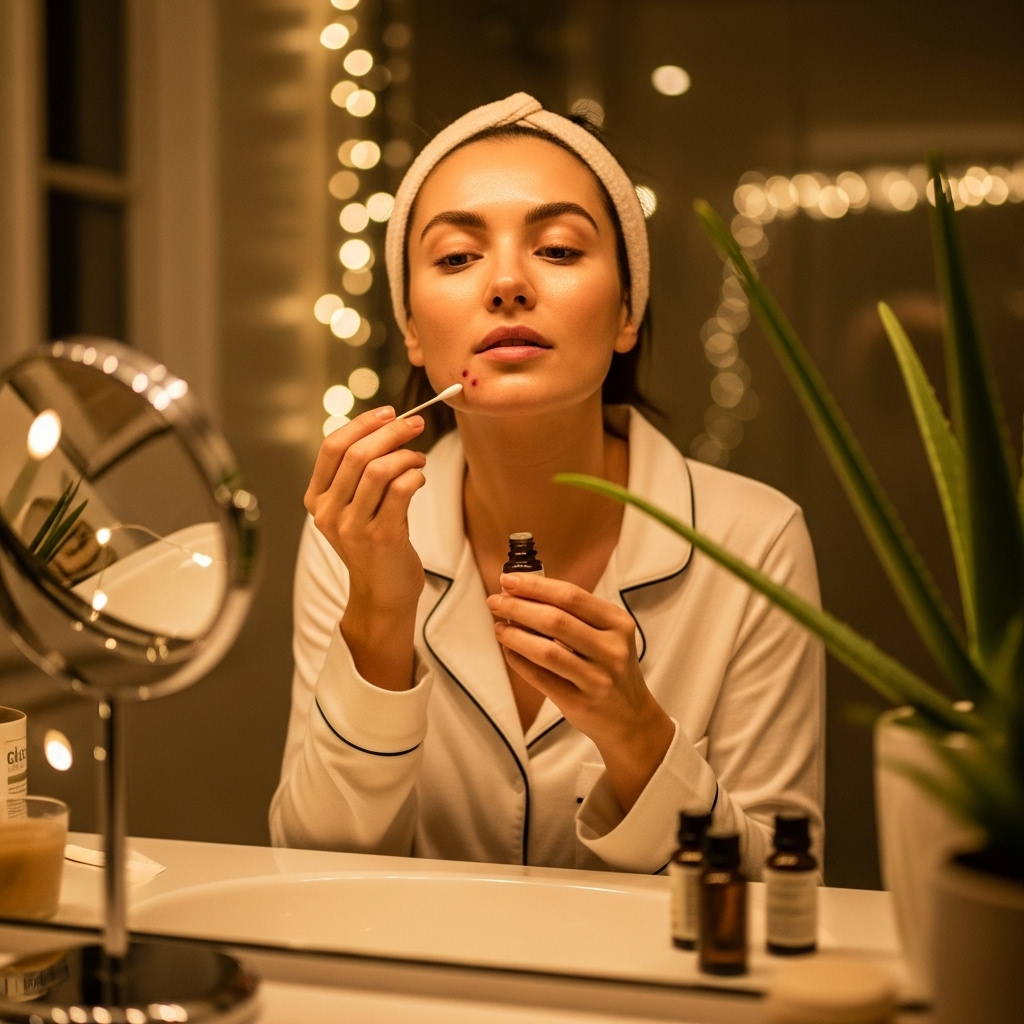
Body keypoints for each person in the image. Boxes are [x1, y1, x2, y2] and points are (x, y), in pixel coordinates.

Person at [270, 93, 824, 876]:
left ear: (628, 312)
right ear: (414, 330)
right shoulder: (362, 529)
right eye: (458, 257)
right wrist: (380, 619)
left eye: (559, 250)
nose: (506, 284)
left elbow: (776, 894)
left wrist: (635, 733)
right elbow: (312, 871)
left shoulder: (754, 541)